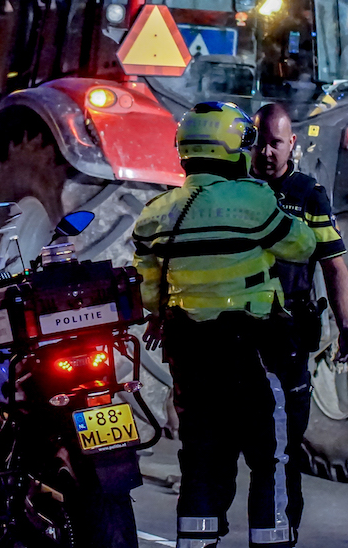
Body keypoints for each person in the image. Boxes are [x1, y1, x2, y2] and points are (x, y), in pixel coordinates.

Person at [133, 101, 316, 548]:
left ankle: (196, 544)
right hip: (252, 349)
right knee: (270, 457)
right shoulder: (252, 200)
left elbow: (147, 292)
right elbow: (302, 246)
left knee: (201, 456)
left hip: (190, 353)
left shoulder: (155, 212)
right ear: (233, 147)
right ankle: (270, 542)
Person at [250, 102, 348, 540]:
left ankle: (283, 532)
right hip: (239, 333)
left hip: (288, 334)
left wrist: (347, 321)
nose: (266, 152)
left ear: (291, 143)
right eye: (260, 142)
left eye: (275, 143)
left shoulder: (309, 195)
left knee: (283, 448)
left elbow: (335, 266)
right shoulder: (235, 191)